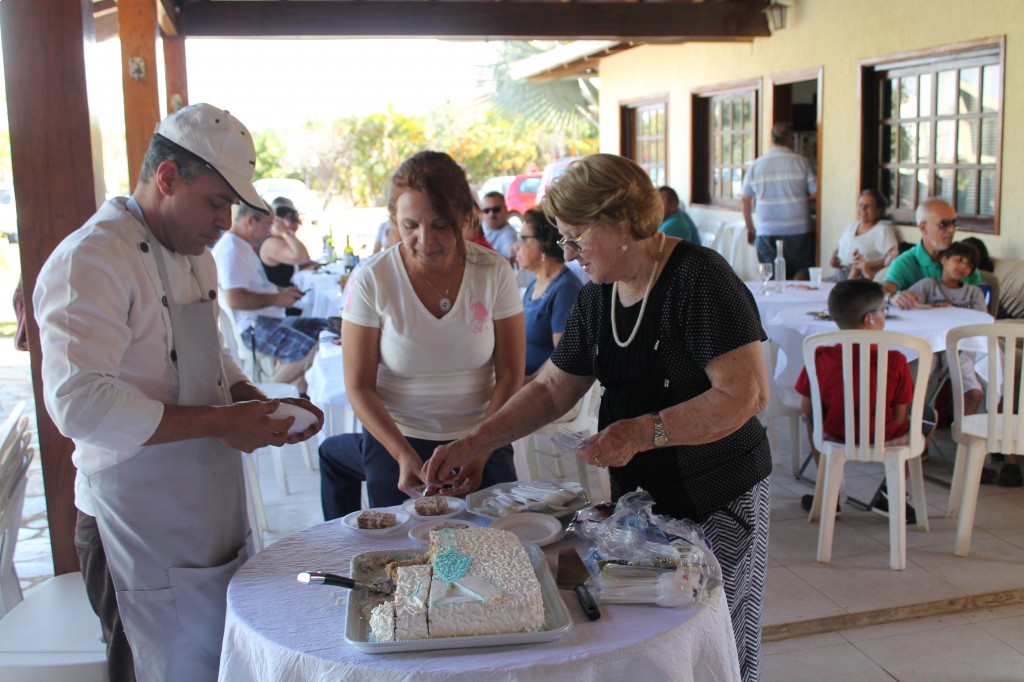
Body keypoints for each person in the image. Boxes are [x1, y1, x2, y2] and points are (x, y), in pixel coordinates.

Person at [426, 154, 772, 682]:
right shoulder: (598, 296)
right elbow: (551, 388)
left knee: (718, 635)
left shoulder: (700, 279)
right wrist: (475, 442)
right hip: (640, 503)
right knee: (649, 638)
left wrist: (644, 431)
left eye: (576, 238)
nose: (567, 252)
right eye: (562, 239)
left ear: (624, 223)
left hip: (718, 494)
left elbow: (745, 395)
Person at [32, 103, 324, 682]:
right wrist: (221, 423)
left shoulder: (196, 257)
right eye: (215, 202)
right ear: (167, 178)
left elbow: (214, 354)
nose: (225, 222)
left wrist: (252, 401)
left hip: (207, 510)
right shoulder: (91, 259)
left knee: (218, 662)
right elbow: (78, 404)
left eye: (231, 206)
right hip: (132, 521)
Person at [317, 151, 524, 519]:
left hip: (482, 435)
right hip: (396, 439)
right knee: (402, 548)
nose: (425, 240)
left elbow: (510, 373)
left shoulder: (493, 271)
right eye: (410, 225)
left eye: (440, 225)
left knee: (499, 541)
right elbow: (359, 386)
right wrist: (402, 454)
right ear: (394, 221)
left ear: (464, 218)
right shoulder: (372, 278)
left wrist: (480, 447)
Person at [794, 279, 934, 522]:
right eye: (883, 310)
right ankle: (890, 494)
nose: (884, 315)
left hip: (834, 434)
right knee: (929, 416)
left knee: (813, 417)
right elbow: (900, 416)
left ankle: (830, 493)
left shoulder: (820, 355)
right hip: (884, 436)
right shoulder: (896, 360)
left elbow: (806, 407)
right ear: (870, 318)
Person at [907, 241, 1020, 486]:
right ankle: (919, 439)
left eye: (969, 265)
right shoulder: (928, 285)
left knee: (987, 383)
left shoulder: (973, 293)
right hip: (937, 348)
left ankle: (980, 457)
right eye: (958, 259)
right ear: (944, 259)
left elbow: (980, 322)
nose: (962, 266)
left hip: (967, 349)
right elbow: (906, 306)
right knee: (927, 379)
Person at [213, 202, 329, 392]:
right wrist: (277, 299)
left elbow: (255, 286)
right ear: (251, 221)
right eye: (267, 225)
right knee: (308, 348)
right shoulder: (231, 250)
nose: (269, 231)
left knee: (325, 330)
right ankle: (267, 396)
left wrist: (281, 292)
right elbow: (235, 299)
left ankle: (301, 393)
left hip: (269, 319)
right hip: (254, 327)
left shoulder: (241, 246)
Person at [741, 121, 818, 279]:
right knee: (801, 272)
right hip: (799, 230)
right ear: (790, 140)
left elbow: (745, 200)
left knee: (771, 277)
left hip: (767, 230)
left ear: (771, 139)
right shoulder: (802, 162)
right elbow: (816, 194)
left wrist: (750, 227)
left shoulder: (756, 165)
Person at [514, 208, 583, 379]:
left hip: (538, 384)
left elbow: (562, 357)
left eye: (523, 239)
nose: (516, 246)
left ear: (544, 243)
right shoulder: (534, 283)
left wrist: (528, 383)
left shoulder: (565, 288)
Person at [883, 197, 983, 309]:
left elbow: (982, 300)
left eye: (954, 223)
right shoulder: (906, 262)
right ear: (923, 227)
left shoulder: (962, 261)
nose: (952, 230)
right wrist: (892, 297)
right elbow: (884, 290)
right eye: (943, 224)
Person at [260, 200, 316, 315]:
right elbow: (302, 257)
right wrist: (285, 232)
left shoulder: (278, 241)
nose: (298, 224)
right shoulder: (271, 243)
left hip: (285, 297)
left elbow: (304, 261)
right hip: (279, 307)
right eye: (293, 220)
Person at [829, 189, 898, 280]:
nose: (862, 209)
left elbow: (893, 258)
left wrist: (865, 265)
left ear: (878, 210)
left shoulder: (882, 230)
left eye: (868, 206)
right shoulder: (852, 226)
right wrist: (834, 258)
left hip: (861, 278)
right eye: (860, 205)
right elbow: (839, 248)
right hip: (838, 274)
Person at [480, 190, 518, 259]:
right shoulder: (477, 227)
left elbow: (510, 250)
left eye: (496, 209)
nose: (491, 214)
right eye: (486, 210)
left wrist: (514, 250)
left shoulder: (508, 233)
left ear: (505, 210)